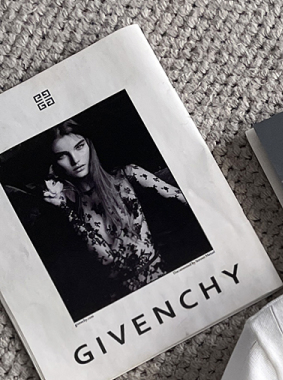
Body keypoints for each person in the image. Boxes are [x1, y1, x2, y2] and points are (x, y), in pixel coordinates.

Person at [42, 120, 191, 299]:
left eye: (79, 147)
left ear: (89, 145)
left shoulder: (127, 176)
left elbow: (184, 198)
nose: (75, 160)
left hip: (164, 279)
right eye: (62, 156)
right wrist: (65, 209)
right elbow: (107, 258)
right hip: (122, 298)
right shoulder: (66, 205)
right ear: (54, 164)